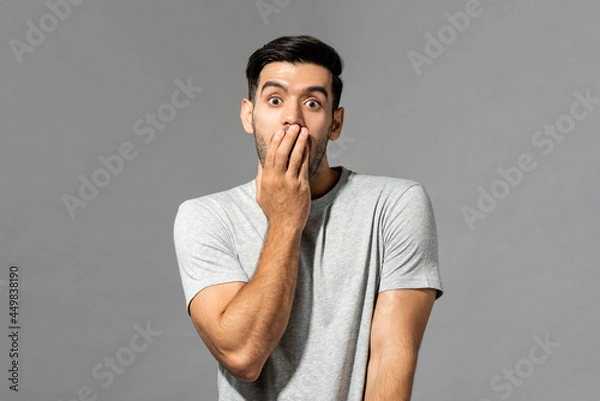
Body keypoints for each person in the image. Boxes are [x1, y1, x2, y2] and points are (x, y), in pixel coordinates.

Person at [173, 35, 444, 400]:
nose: (292, 119)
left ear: (335, 123)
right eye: (274, 100)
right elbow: (242, 354)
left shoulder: (394, 205)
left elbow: (390, 359)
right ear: (248, 115)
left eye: (313, 103)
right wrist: (286, 219)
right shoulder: (205, 217)